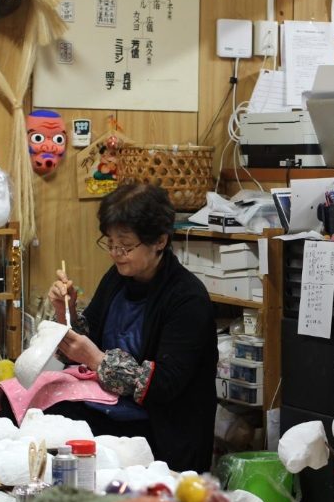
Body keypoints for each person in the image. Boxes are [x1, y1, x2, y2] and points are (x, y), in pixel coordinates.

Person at [47, 184, 217, 472]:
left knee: (65, 437)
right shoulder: (118, 278)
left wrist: (96, 360)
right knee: (44, 417)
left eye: (125, 245)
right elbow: (86, 341)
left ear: (160, 241)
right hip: (113, 411)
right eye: (110, 243)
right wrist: (67, 314)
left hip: (162, 432)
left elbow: (163, 386)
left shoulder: (187, 298)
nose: (116, 253)